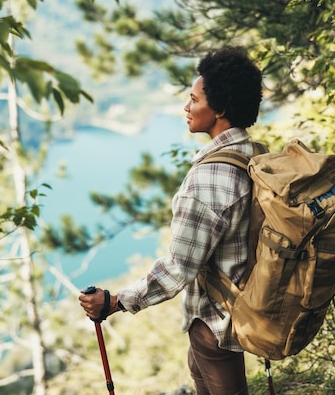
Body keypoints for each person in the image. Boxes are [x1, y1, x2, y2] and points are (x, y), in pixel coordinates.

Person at [79, 45, 263, 395]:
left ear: (220, 108)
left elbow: (180, 266)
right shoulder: (251, 155)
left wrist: (115, 301)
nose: (186, 107)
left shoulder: (210, 178)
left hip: (215, 325)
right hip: (234, 313)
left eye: (194, 99)